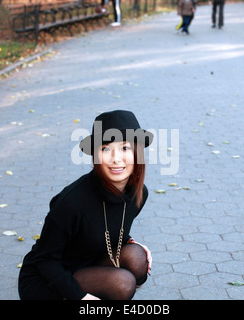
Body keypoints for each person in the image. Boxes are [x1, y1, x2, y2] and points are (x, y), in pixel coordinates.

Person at [18, 110, 153, 300]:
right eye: (106, 149)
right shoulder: (71, 202)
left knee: (137, 257)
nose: (116, 158)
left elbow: (106, 226)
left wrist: (130, 242)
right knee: (122, 283)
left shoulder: (139, 195)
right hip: (46, 279)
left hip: (87, 264)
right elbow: (46, 260)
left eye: (125, 148)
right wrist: (81, 297)